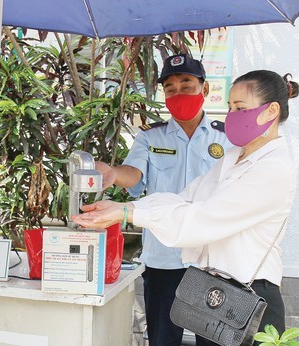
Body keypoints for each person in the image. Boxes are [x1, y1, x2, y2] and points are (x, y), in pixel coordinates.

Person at [72, 70, 299, 342]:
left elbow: (205, 219)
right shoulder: (234, 157)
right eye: (229, 107)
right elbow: (186, 197)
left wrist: (128, 212)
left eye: (240, 108)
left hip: (250, 297)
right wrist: (125, 206)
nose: (232, 116)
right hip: (216, 291)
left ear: (271, 110)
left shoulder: (273, 168)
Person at [95, 53, 230, 345]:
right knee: (162, 339)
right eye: (171, 89)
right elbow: (134, 174)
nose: (179, 93)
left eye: (187, 85)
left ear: (204, 89)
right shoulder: (150, 137)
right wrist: (114, 174)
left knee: (214, 340)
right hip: (164, 258)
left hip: (212, 259)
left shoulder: (226, 138)